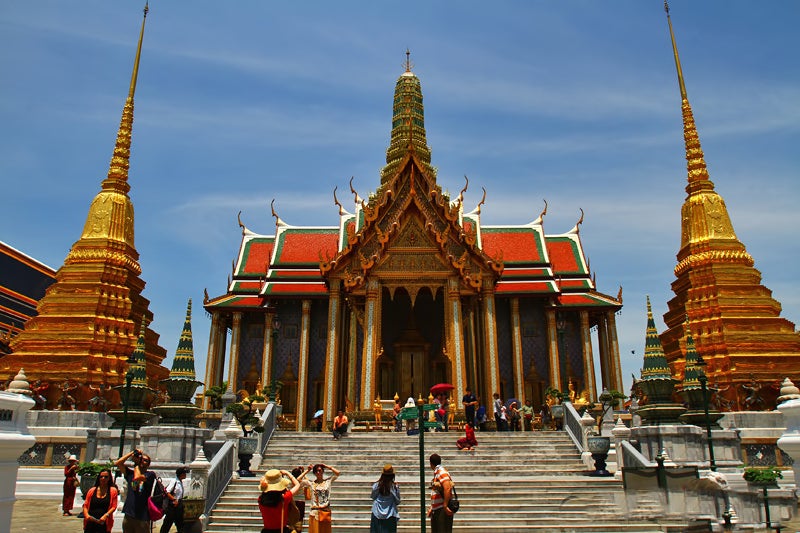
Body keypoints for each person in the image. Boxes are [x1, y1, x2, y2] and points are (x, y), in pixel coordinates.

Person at [115, 449, 157, 533]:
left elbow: (137, 477)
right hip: (129, 514)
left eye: (145, 460)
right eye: (141, 459)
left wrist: (137, 464)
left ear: (148, 464)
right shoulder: (130, 474)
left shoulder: (150, 475)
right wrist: (132, 453)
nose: (142, 461)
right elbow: (118, 463)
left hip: (142, 516)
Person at [258, 469, 300, 533]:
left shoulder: (260, 499)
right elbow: (297, 485)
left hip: (266, 531)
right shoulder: (284, 498)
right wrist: (288, 473)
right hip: (281, 530)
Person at [306, 463, 340, 533]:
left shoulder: (327, 482)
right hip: (315, 512)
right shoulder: (312, 483)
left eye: (320, 470)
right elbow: (298, 479)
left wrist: (327, 466)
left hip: (325, 511)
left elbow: (337, 473)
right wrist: (307, 470)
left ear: (323, 471)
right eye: (316, 471)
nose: (318, 472)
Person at [82, 468, 118, 533]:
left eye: (106, 477)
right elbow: (85, 505)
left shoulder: (113, 491)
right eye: (101, 477)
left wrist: (106, 515)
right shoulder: (92, 490)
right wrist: (87, 516)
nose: (103, 478)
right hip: (91, 521)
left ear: (109, 478)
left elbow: (113, 506)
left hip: (104, 522)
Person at [427, 453, 454, 533]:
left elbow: (447, 488)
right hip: (437, 509)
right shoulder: (437, 473)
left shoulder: (441, 472)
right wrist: (432, 507)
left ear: (431, 463)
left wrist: (445, 506)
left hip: (442, 509)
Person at [370, 464, 400, 533]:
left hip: (377, 512)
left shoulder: (377, 485)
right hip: (390, 514)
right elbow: (397, 501)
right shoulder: (394, 487)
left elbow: (373, 496)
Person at [160, 467, 189, 533]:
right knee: (168, 522)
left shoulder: (180, 482)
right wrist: (174, 499)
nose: (185, 475)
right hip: (173, 506)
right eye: (184, 473)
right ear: (181, 474)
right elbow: (167, 491)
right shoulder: (174, 481)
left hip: (179, 505)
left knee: (180, 523)